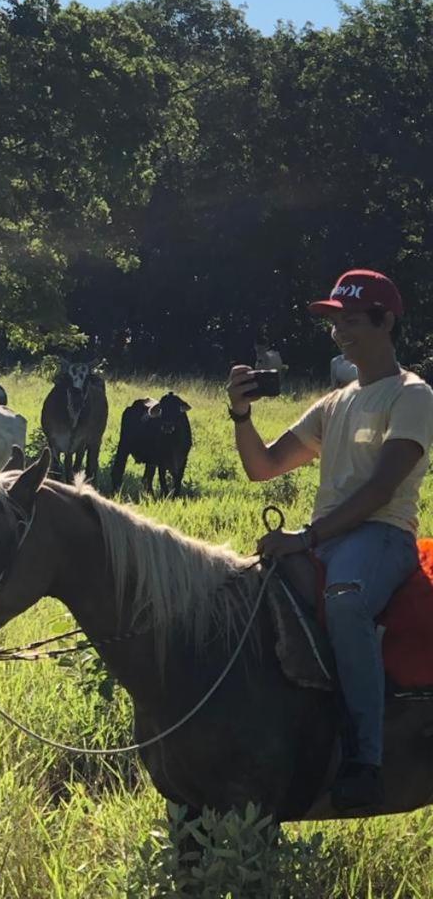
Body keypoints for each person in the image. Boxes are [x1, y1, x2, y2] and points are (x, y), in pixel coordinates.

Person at [227, 269, 433, 810]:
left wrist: (308, 536)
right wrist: (241, 414)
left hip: (382, 537)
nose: (340, 332)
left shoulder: (412, 396)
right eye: (333, 323)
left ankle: (367, 760)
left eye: (351, 320)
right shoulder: (335, 402)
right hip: (329, 538)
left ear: (386, 321)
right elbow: (263, 466)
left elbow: (382, 487)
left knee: (345, 602)